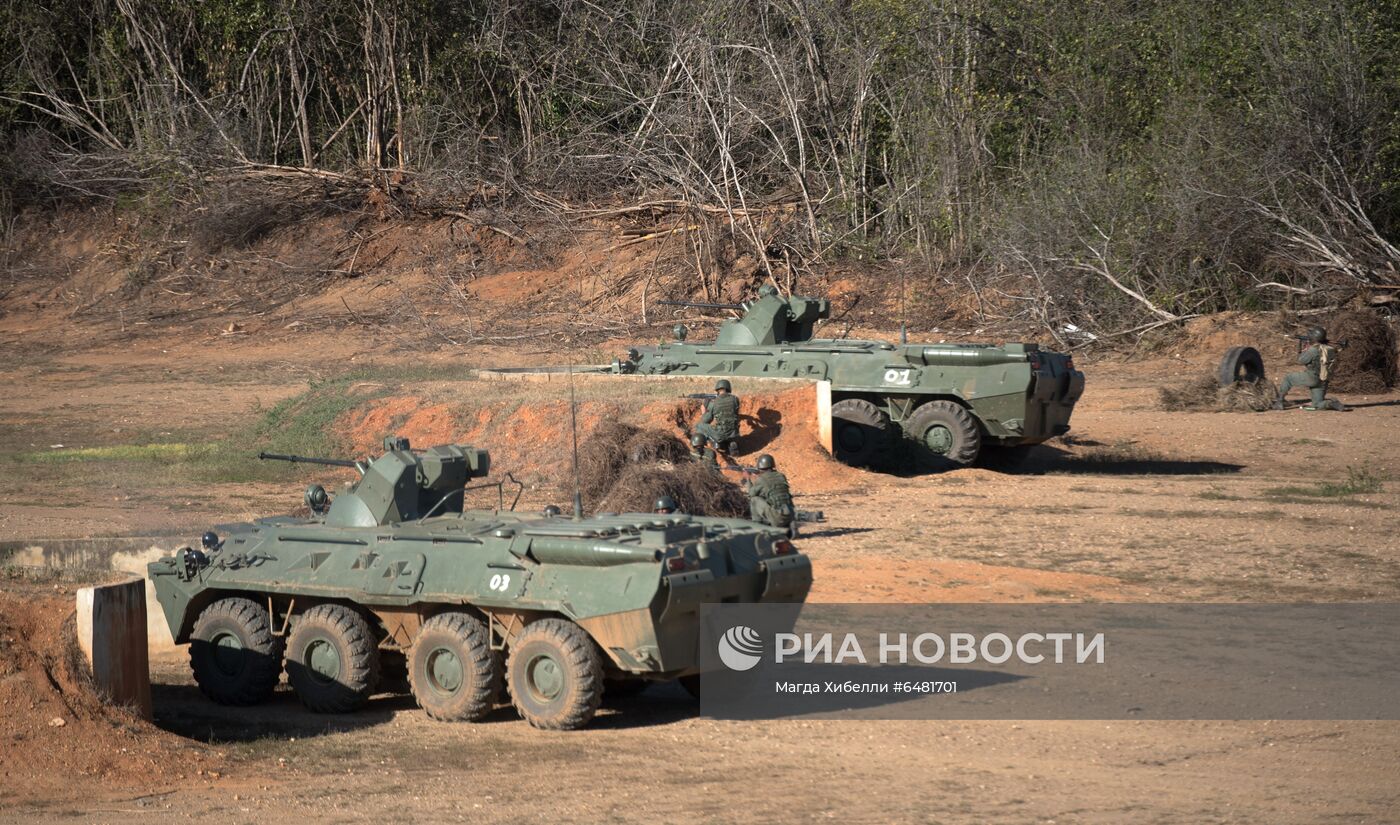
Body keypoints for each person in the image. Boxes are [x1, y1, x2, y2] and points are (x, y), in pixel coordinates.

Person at [1275, 328, 1345, 411]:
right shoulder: (1330, 349)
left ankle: (1279, 401)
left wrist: (1304, 350)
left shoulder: (1313, 350)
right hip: (1323, 379)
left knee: (1288, 378)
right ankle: (1331, 403)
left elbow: (1300, 360)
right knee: (1317, 404)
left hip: (1312, 377)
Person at [744, 454, 794, 530]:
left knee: (754, 499)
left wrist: (748, 479)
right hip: (790, 515)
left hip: (777, 518)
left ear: (760, 467)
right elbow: (771, 488)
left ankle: (758, 526)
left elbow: (751, 493)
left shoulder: (761, 479)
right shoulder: (781, 476)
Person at [695, 379, 740, 453]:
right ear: (728, 388)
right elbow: (735, 413)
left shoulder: (714, 403)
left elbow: (706, 420)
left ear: (717, 390)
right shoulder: (735, 399)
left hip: (720, 433)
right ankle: (731, 443)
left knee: (699, 426)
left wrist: (703, 411)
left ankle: (715, 442)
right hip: (734, 433)